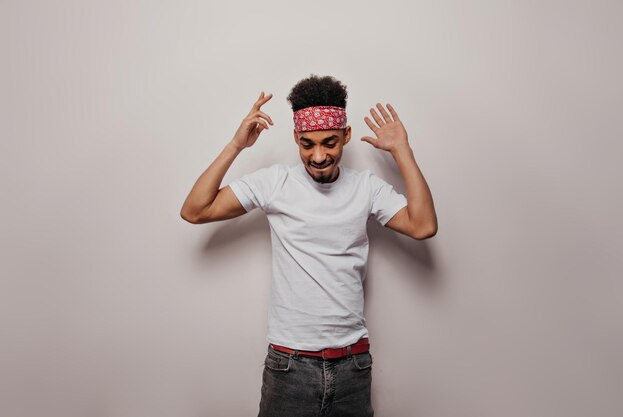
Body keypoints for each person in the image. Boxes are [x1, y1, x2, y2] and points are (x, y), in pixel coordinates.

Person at [180, 74, 438, 417]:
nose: (318, 156)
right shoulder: (275, 183)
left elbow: (423, 225)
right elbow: (195, 211)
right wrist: (235, 146)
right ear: (297, 138)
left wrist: (403, 151)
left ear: (346, 136)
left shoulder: (367, 188)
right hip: (290, 365)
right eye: (307, 144)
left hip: (353, 364)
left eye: (330, 143)